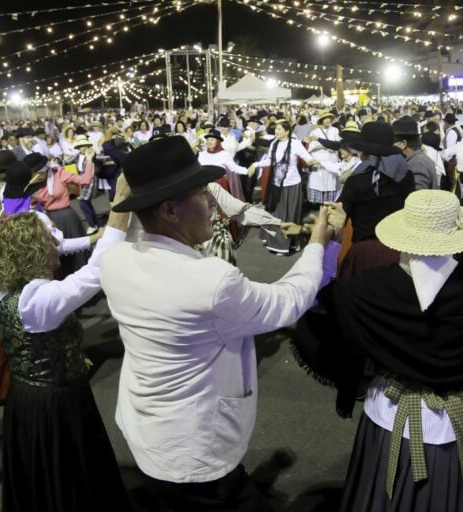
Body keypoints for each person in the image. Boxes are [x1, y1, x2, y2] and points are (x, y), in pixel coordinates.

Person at [100, 135, 335, 511]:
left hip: (144, 433)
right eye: (201, 194)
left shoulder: (114, 260)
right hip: (194, 454)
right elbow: (287, 302)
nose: (212, 202)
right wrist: (318, 245)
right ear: (170, 211)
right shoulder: (211, 281)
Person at [291, 190, 463, 512]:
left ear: (403, 234)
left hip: (384, 414)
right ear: (459, 234)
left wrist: (329, 241)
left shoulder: (369, 290)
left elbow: (313, 296)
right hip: (447, 425)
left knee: (375, 497)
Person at [0, 189, 132, 512]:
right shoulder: (40, 300)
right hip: (57, 398)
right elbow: (96, 271)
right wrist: (121, 204)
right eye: (49, 240)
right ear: (33, 252)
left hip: (24, 397)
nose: (56, 245)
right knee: (66, 462)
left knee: (40, 462)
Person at [338, 121, 415, 277]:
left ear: (365, 151)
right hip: (398, 250)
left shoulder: (356, 179)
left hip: (365, 252)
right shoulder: (406, 176)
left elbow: (341, 216)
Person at [249, 121, 320, 255]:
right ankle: (274, 241)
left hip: (292, 184)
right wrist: (256, 164)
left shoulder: (294, 144)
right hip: (276, 184)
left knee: (290, 214)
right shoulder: (274, 144)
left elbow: (307, 157)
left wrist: (314, 161)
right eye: (276, 129)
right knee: (276, 213)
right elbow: (270, 161)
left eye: (280, 129)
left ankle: (289, 242)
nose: (277, 132)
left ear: (287, 132)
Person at [29, 152, 94, 275]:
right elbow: (31, 205)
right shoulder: (32, 184)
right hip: (49, 221)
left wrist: (89, 161)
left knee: (77, 252)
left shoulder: (59, 174)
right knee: (60, 255)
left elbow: (85, 180)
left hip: (67, 217)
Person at [198, 129, 249, 201]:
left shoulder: (224, 154)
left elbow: (234, 168)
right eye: (208, 140)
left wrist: (247, 171)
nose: (209, 142)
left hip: (219, 186)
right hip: (204, 185)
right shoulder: (202, 154)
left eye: (212, 140)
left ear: (218, 142)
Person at [305, 110, 342, 205]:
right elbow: (311, 147)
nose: (328, 120)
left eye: (330, 118)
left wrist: (323, 146)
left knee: (331, 183)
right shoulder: (314, 131)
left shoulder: (335, 130)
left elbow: (337, 144)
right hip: (319, 160)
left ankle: (329, 205)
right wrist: (328, 145)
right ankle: (320, 207)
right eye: (326, 118)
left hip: (332, 159)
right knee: (319, 182)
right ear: (321, 120)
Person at [392, 117, 438, 190]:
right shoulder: (417, 159)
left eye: (392, 143)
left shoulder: (416, 164)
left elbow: (417, 198)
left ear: (403, 144)